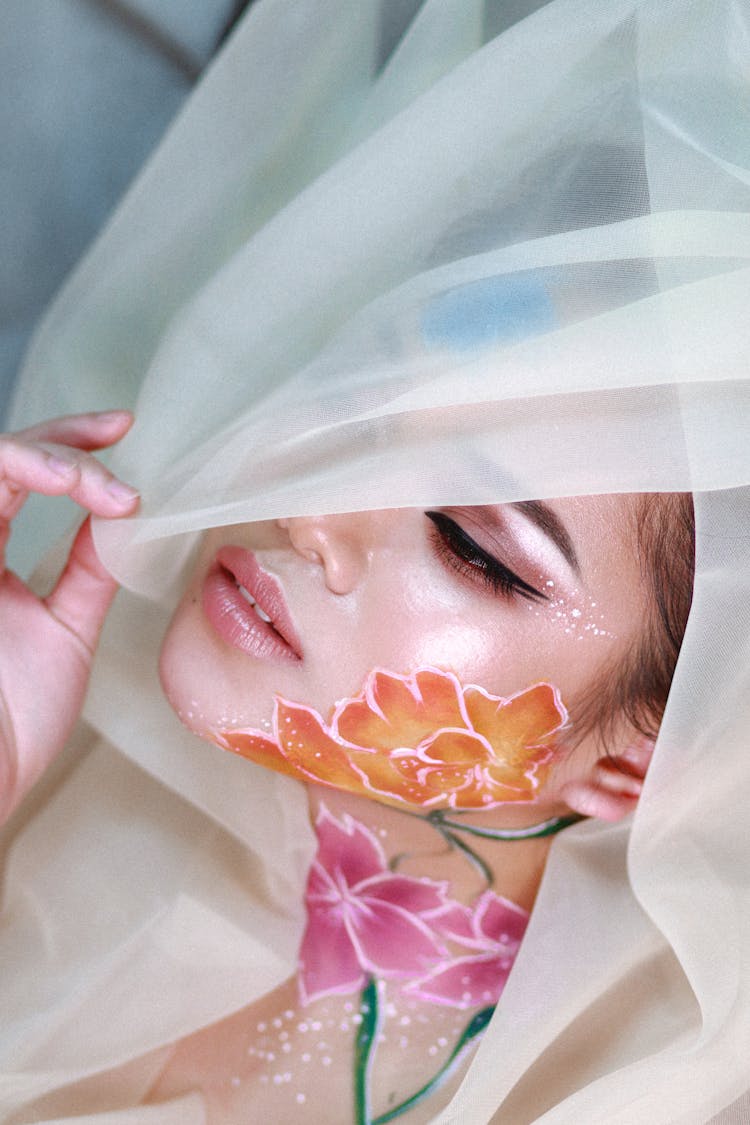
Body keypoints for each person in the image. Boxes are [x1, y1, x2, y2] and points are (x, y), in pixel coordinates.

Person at [1, 1, 749, 1122]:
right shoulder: (71, 771)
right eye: (360, 394)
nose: (314, 505)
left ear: (641, 764)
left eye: (472, 543)